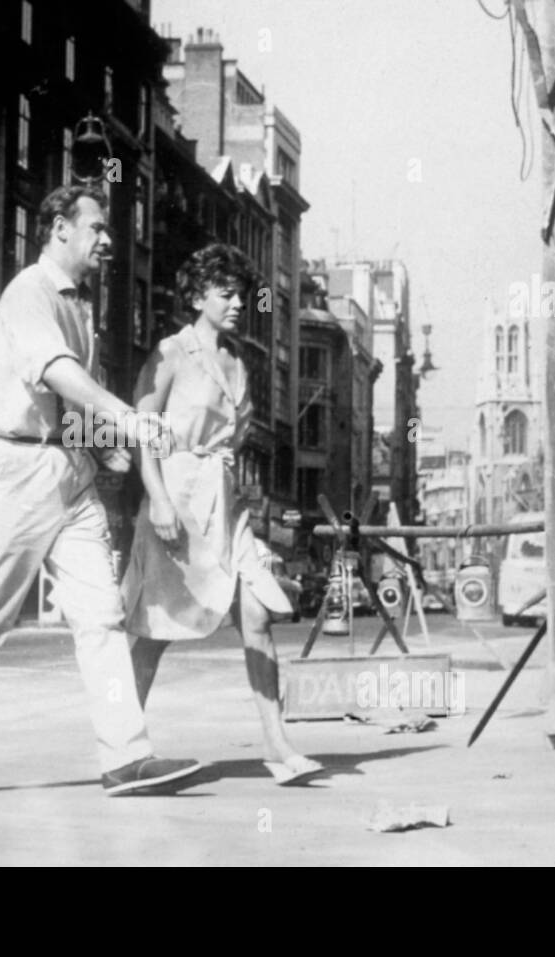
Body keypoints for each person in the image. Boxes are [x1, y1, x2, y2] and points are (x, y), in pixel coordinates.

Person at [0, 185, 203, 798]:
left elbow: (66, 398)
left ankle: (126, 758)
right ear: (58, 229)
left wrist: (101, 443)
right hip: (16, 471)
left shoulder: (81, 305)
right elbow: (53, 372)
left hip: (69, 473)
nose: (108, 240)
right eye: (97, 228)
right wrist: (126, 418)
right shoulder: (29, 293)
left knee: (101, 616)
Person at [122, 243, 326, 786]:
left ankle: (278, 745)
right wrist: (158, 498)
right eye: (225, 294)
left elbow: (234, 435)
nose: (238, 303)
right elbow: (143, 432)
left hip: (227, 502)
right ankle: (123, 745)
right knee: (155, 628)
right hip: (179, 500)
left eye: (241, 294)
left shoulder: (239, 361)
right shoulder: (170, 352)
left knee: (257, 614)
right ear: (196, 296)